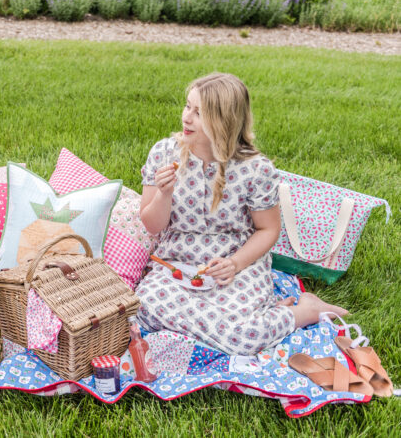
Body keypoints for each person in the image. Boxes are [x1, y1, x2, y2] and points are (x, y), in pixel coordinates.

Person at [136, 72, 347, 356]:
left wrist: (234, 263)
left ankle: (301, 312)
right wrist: (164, 194)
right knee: (140, 311)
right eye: (188, 106)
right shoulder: (164, 153)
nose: (186, 118)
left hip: (236, 259)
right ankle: (255, 317)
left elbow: (268, 230)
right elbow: (151, 225)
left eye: (199, 113)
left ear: (224, 121)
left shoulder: (255, 169)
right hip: (178, 259)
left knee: (243, 337)